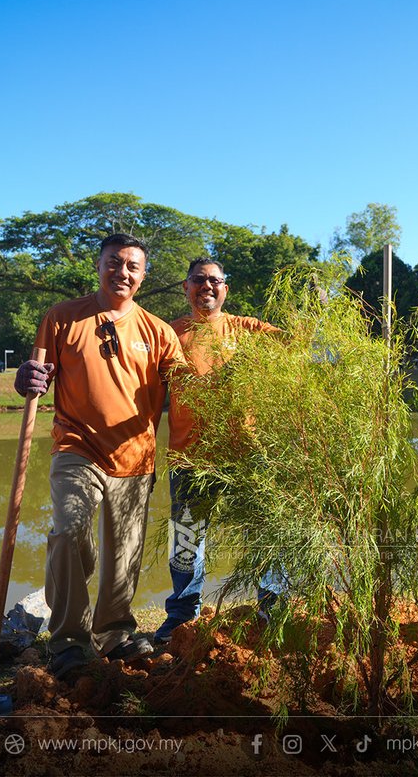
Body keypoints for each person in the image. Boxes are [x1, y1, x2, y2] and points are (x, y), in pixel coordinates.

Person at [14, 232, 184, 678]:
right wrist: (26, 377)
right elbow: (38, 373)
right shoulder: (62, 318)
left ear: (143, 275)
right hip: (77, 447)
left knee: (125, 555)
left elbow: (186, 389)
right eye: (114, 262)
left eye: (132, 265)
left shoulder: (159, 332)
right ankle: (69, 639)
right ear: (99, 265)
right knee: (69, 532)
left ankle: (114, 634)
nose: (122, 271)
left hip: (136, 453)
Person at [154, 257, 284, 647]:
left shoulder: (247, 329)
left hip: (247, 453)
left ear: (226, 288)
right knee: (187, 540)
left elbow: (297, 346)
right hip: (190, 457)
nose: (207, 286)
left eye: (215, 280)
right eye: (199, 280)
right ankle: (182, 616)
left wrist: (315, 307)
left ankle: (271, 609)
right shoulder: (169, 333)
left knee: (266, 534)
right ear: (186, 286)